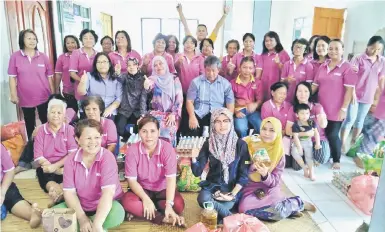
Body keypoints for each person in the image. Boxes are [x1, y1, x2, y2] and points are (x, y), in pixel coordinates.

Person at [238, 117, 316, 220]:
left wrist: (265, 175)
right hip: (250, 186)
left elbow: (275, 181)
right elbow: (240, 168)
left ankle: (296, 203)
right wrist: (251, 167)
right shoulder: (250, 143)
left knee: (276, 209)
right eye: (264, 129)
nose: (266, 133)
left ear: (278, 133)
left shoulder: (279, 152)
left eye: (272, 130)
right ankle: (287, 209)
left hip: (269, 188)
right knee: (243, 209)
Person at [54, 119, 125, 232]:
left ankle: (92, 226)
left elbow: (108, 193)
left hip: (103, 205)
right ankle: (87, 225)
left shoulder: (107, 157)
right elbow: (69, 193)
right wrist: (82, 218)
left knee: (118, 213)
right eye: (88, 138)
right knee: (53, 219)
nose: (93, 142)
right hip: (80, 205)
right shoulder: (71, 160)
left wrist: (97, 224)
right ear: (77, 139)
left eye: (97, 137)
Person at [121, 116, 186, 227]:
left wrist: (169, 205)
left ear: (158, 132)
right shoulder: (132, 150)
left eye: (152, 131)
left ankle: (151, 210)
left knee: (178, 205)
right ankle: (162, 218)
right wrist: (145, 199)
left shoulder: (167, 149)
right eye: (144, 131)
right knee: (127, 202)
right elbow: (131, 181)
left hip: (162, 190)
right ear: (139, 132)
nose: (148, 136)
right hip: (142, 190)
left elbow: (171, 179)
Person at [191, 108, 250, 222]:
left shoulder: (241, 145)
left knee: (216, 217)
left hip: (231, 189)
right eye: (217, 121)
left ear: (231, 122)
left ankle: (222, 214)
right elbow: (197, 172)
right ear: (213, 124)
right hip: (213, 187)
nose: (222, 125)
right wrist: (193, 158)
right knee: (202, 198)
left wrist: (232, 194)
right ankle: (233, 218)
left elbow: (243, 175)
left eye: (225, 121)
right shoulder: (208, 143)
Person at [312, 39, 357, 170]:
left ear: (342, 50)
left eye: (336, 48)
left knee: (332, 133)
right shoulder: (323, 66)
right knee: (322, 132)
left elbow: (349, 90)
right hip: (321, 107)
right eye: (331, 48)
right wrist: (303, 94)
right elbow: (315, 85)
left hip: (336, 108)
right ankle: (325, 154)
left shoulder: (347, 67)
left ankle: (336, 159)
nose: (333, 51)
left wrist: (344, 108)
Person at [341, 36, 385, 151]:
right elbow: (351, 77)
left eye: (379, 49)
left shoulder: (382, 61)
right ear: (368, 46)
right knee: (350, 119)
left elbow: (381, 78)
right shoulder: (358, 58)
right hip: (355, 95)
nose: (375, 51)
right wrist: (353, 93)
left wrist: (382, 92)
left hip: (368, 96)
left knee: (360, 121)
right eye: (373, 48)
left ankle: (353, 145)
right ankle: (341, 144)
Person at [8, 29, 54, 139]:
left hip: (44, 96)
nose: (32, 41)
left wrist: (53, 95)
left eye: (34, 39)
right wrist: (13, 95)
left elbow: (50, 77)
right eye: (29, 38)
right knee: (29, 124)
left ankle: (48, 143)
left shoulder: (43, 56)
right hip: (25, 97)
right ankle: (32, 147)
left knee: (46, 121)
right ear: (22, 40)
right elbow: (12, 77)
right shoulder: (15, 57)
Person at [33, 99, 78, 205]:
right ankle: (56, 192)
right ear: (47, 114)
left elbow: (72, 154)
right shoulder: (41, 131)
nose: (55, 115)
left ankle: (58, 194)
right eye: (52, 112)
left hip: (65, 166)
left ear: (64, 115)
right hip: (47, 166)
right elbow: (38, 156)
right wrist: (51, 168)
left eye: (59, 113)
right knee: (45, 176)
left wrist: (56, 167)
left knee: (68, 175)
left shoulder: (70, 129)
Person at [186, 56, 235, 136]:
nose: (211, 73)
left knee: (221, 135)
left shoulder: (225, 84)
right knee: (192, 133)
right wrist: (192, 116)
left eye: (213, 70)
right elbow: (189, 101)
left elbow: (230, 104)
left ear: (218, 70)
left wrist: (227, 119)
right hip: (199, 113)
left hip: (218, 115)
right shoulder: (195, 82)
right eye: (208, 70)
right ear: (204, 69)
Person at [286, 82, 330, 166]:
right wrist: (305, 133)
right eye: (300, 91)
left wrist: (322, 119)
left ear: (310, 93)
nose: (303, 94)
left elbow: (323, 124)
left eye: (306, 91)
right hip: (301, 140)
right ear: (296, 93)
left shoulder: (317, 107)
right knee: (296, 166)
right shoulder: (293, 109)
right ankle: (308, 157)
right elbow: (288, 131)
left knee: (322, 158)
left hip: (318, 139)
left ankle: (313, 155)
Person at [144, 56, 183, 146]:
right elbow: (149, 86)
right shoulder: (152, 79)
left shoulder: (174, 79)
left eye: (160, 63)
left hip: (172, 114)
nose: (158, 67)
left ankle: (168, 156)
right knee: (151, 131)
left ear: (165, 65)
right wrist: (146, 86)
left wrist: (174, 114)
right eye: (155, 65)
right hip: (156, 114)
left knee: (167, 130)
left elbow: (179, 99)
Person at [1, 144, 42, 229]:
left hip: (2, 183)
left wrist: (2, 192)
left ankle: (32, 214)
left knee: (13, 197)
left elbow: (9, 171)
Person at [77, 52, 122, 120]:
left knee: (108, 127)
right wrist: (82, 82)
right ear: (95, 65)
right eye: (99, 62)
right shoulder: (89, 76)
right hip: (92, 110)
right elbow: (81, 93)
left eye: (104, 61)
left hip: (109, 110)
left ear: (109, 64)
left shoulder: (116, 77)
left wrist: (110, 109)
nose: (102, 64)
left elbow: (119, 98)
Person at [114, 58, 148, 142]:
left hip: (137, 111)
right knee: (119, 129)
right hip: (125, 110)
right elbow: (118, 78)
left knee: (139, 130)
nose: (131, 67)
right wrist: (117, 72)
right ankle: (128, 140)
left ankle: (134, 144)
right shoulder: (125, 76)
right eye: (129, 65)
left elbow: (143, 98)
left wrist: (142, 114)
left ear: (138, 66)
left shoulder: (143, 79)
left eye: (134, 65)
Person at [231, 56, 263, 137]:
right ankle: (243, 145)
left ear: (254, 69)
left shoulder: (257, 82)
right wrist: (235, 112)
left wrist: (255, 104)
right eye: (244, 67)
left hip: (253, 111)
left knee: (261, 126)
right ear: (239, 68)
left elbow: (260, 99)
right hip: (239, 111)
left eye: (250, 68)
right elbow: (229, 101)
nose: (247, 70)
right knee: (241, 128)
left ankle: (255, 143)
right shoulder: (232, 83)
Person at [291, 104, 321, 181]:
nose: (305, 116)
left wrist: (318, 143)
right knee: (294, 152)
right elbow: (295, 137)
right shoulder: (296, 125)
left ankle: (311, 171)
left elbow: (316, 133)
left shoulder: (311, 122)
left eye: (307, 113)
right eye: (302, 113)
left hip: (308, 142)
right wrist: (299, 147)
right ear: (297, 114)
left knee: (309, 156)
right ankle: (304, 168)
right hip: (298, 142)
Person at [261, 82, 292, 156]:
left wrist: (285, 133)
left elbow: (290, 125)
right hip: (271, 136)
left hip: (286, 136)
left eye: (284, 93)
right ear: (272, 92)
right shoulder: (266, 106)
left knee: (287, 161)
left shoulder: (289, 106)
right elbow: (267, 125)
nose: (282, 96)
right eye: (280, 93)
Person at [281, 38, 314, 103]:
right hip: (287, 98)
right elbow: (281, 81)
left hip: (301, 100)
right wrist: (286, 80)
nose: (297, 49)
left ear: (305, 50)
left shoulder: (308, 66)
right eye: (295, 47)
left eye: (300, 47)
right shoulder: (287, 64)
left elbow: (309, 86)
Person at [69, 29, 98, 101]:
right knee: (83, 109)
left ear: (95, 41)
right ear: (81, 40)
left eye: (91, 38)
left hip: (96, 89)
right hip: (81, 88)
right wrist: (84, 82)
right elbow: (72, 73)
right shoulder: (76, 53)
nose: (88, 40)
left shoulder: (98, 54)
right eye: (85, 38)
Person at [261, 31, 290, 100]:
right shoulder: (263, 55)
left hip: (277, 87)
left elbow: (288, 71)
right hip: (263, 86)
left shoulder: (283, 54)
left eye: (271, 40)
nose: (268, 43)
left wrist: (279, 63)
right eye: (266, 41)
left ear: (277, 41)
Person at [54, 35, 81, 112]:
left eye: (73, 42)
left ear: (77, 43)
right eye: (68, 43)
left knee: (84, 116)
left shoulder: (82, 55)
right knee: (71, 115)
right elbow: (58, 74)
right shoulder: (61, 57)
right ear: (65, 45)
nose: (70, 45)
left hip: (83, 90)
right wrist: (56, 90)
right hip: (69, 91)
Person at [358, 87, 385, 155]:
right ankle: (363, 155)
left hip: (380, 112)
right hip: (382, 114)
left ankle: (363, 154)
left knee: (373, 135)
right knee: (374, 136)